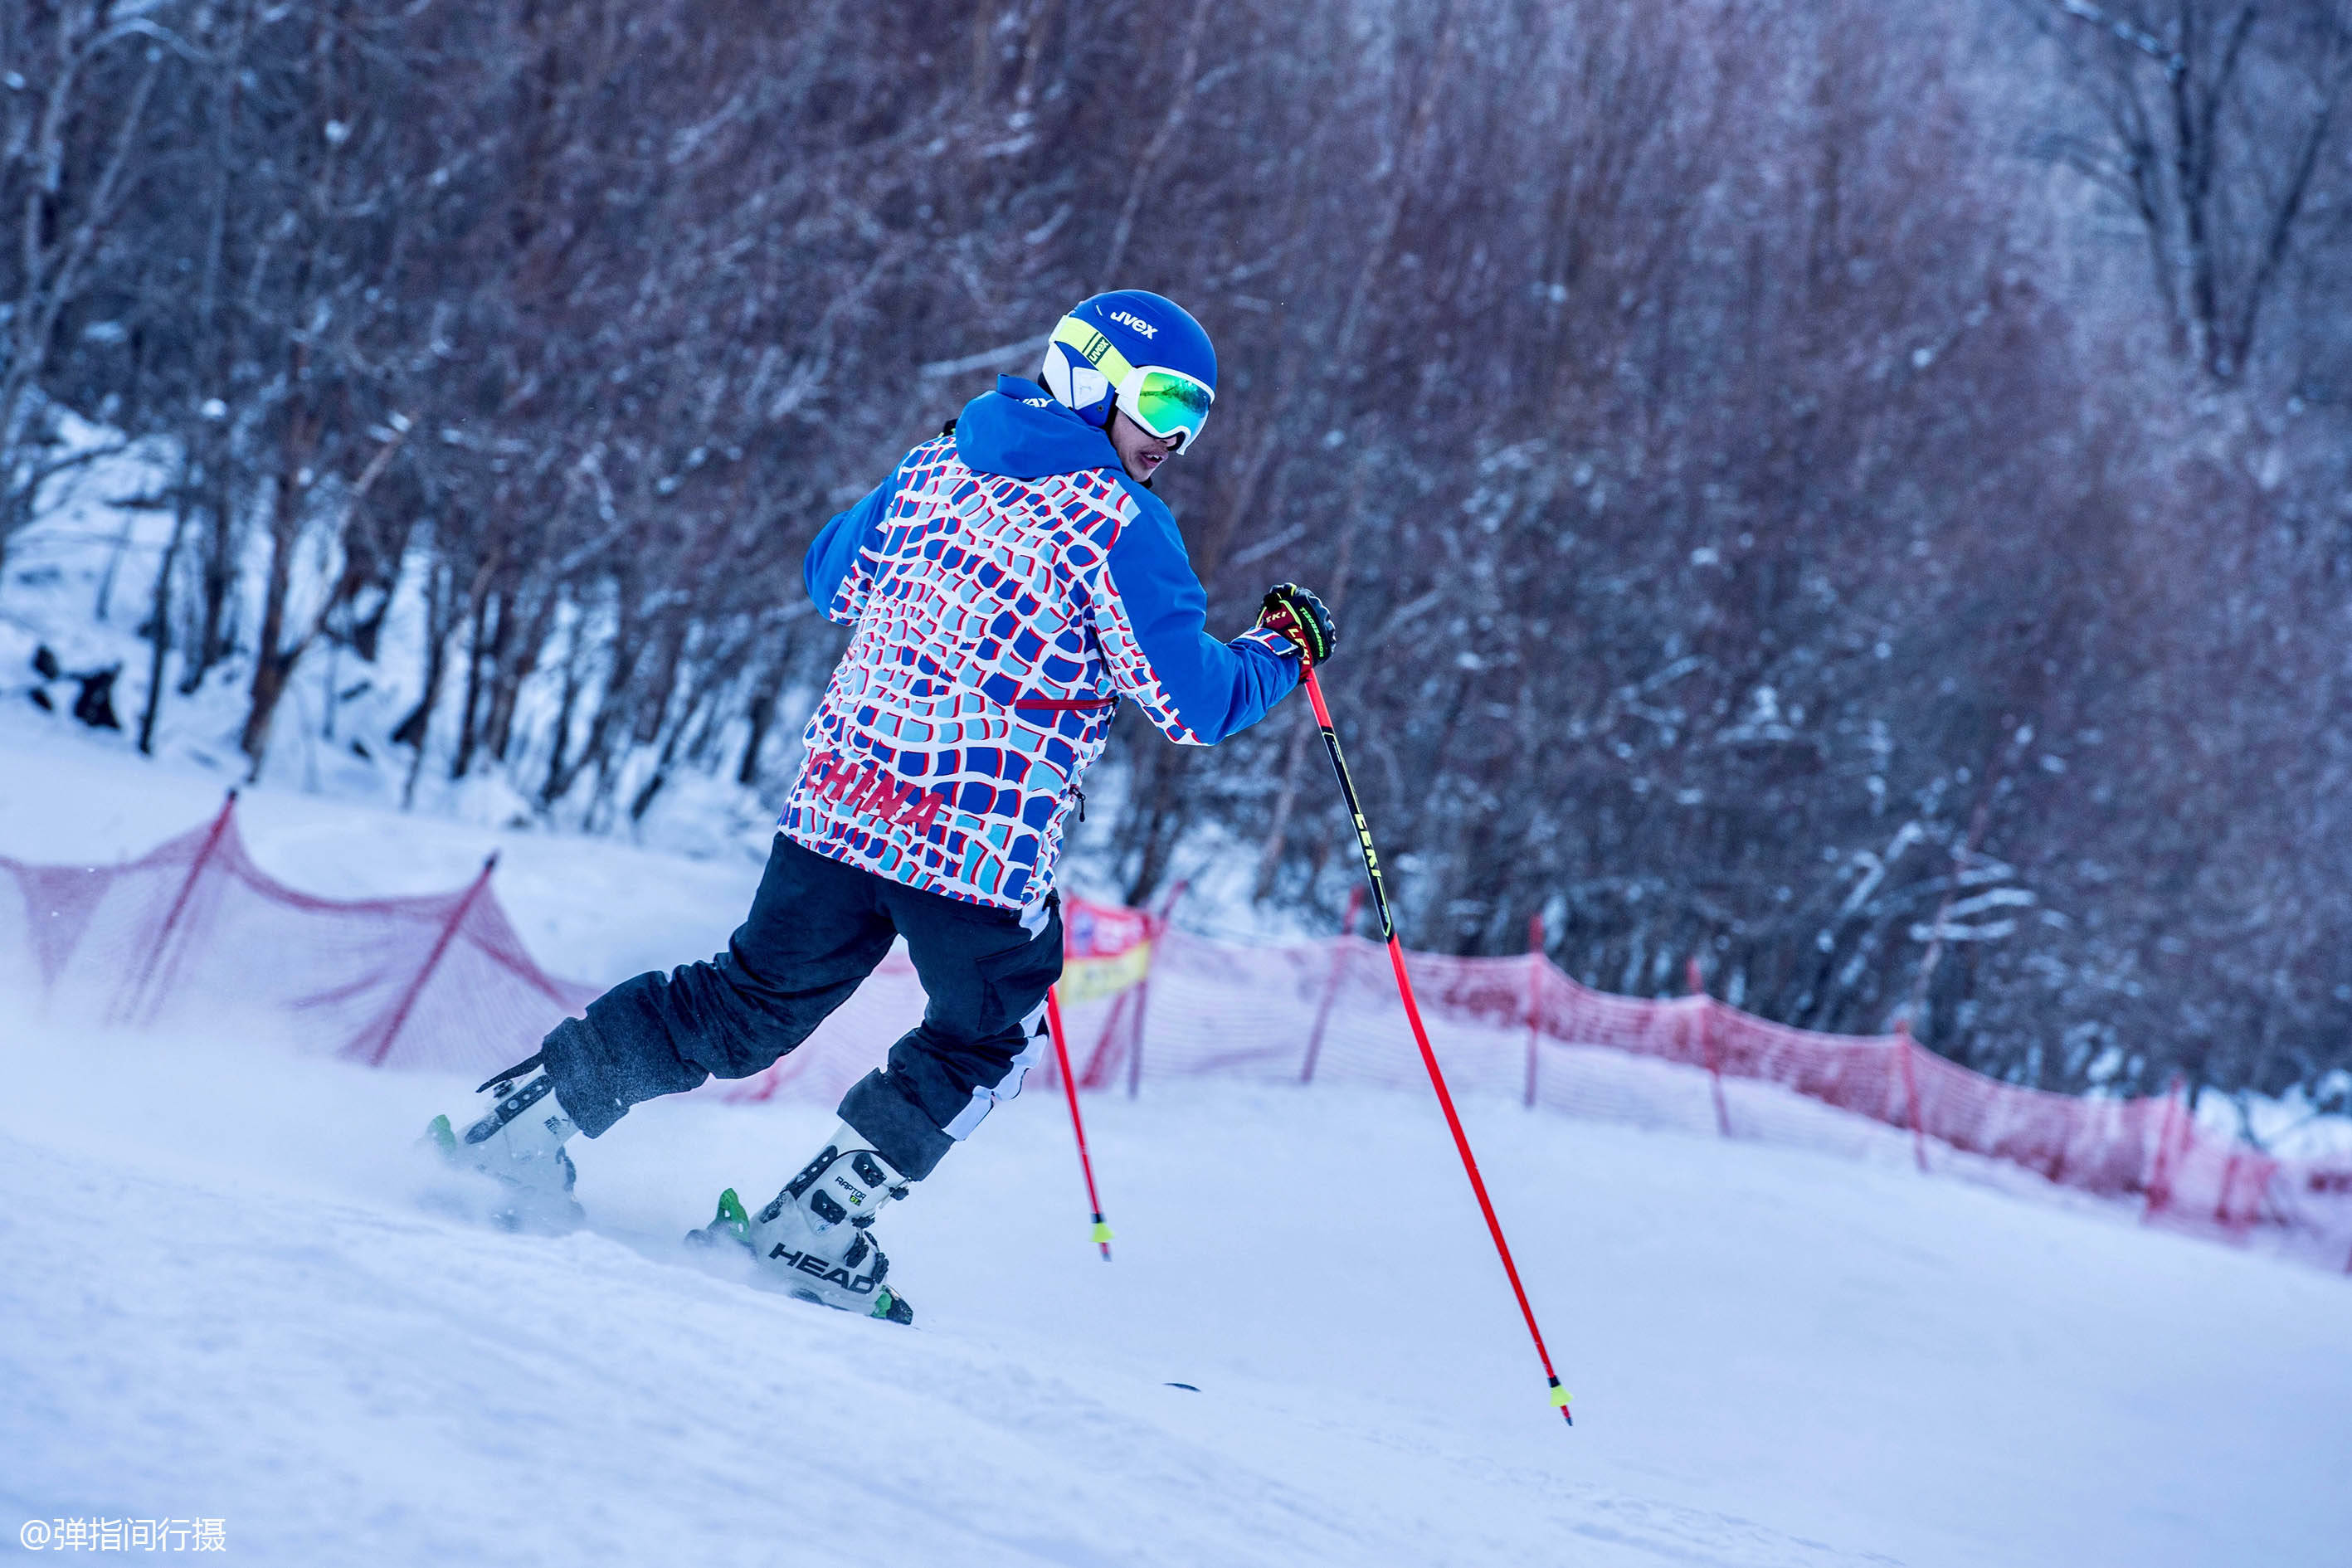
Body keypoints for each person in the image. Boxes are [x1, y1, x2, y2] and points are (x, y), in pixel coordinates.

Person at [429, 290, 1337, 1324]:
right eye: (1168, 403)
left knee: (746, 1002)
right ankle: (808, 1232)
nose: (1177, 438)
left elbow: (832, 578)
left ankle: (524, 1127)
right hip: (972, 844)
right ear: (1093, 378)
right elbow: (1192, 702)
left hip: (844, 805)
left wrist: (928, 470)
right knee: (982, 1042)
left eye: (1197, 418)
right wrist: (1282, 649)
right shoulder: (1126, 524)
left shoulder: (942, 459)